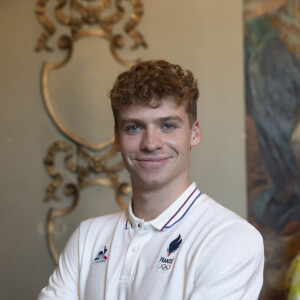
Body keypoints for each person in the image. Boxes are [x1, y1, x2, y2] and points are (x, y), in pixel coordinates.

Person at [38, 59, 264, 300]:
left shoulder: (231, 238)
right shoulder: (88, 237)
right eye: (134, 128)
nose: (150, 144)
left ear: (194, 133)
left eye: (167, 125)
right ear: (117, 138)